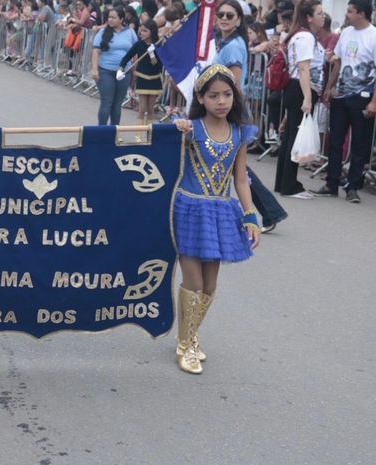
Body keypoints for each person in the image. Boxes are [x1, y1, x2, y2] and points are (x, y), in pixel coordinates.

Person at [172, 64, 260, 375]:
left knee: (209, 285)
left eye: (227, 95)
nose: (221, 101)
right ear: (200, 97)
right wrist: (176, 129)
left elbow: (241, 179)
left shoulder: (240, 133)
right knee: (193, 281)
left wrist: (250, 215)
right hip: (189, 210)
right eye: (213, 95)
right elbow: (162, 153)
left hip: (221, 212)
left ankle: (192, 336)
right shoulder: (190, 128)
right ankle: (184, 345)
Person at [213, 0, 287, 233]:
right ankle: (266, 211)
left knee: (238, 165)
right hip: (226, 109)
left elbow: (232, 84)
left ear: (238, 19)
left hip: (230, 110)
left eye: (229, 15)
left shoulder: (233, 46)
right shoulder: (227, 42)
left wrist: (223, 111)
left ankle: (267, 211)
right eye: (221, 14)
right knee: (234, 164)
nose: (224, 18)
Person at [311, 0, 376, 203]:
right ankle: (332, 183)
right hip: (341, 95)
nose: (346, 15)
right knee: (336, 141)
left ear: (362, 13)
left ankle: (353, 186)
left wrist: (374, 102)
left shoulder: (374, 36)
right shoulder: (346, 33)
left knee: (359, 144)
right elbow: (338, 61)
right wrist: (330, 86)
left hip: (362, 97)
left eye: (350, 11)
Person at [274, 0, 325, 199]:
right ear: (309, 17)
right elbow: (303, 69)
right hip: (301, 88)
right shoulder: (305, 36)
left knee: (290, 137)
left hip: (298, 88)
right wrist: (307, 98)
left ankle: (284, 181)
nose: (323, 17)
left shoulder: (304, 36)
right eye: (319, 13)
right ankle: (289, 185)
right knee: (295, 137)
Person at [91, 6, 138, 125]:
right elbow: (96, 51)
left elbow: (136, 51)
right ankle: (101, 132)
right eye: (109, 17)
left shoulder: (130, 32)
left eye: (113, 17)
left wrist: (135, 69)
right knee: (107, 102)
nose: (110, 20)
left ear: (121, 19)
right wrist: (95, 70)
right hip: (106, 71)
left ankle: (114, 133)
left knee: (117, 105)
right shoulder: (103, 32)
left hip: (123, 72)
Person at [118, 18, 161, 131]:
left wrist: (152, 54)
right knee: (142, 109)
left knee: (150, 110)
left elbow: (157, 66)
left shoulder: (158, 45)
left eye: (145, 31)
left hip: (155, 79)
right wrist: (121, 69)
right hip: (142, 79)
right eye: (141, 30)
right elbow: (127, 57)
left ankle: (148, 133)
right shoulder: (139, 45)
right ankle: (139, 134)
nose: (141, 33)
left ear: (152, 31)